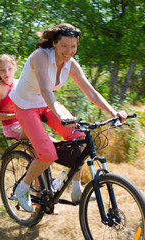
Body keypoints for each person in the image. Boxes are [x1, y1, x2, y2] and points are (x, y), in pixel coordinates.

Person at [9, 23, 127, 212]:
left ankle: (76, 188)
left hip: (47, 104)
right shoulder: (41, 56)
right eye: (64, 45)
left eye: (73, 46)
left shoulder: (71, 64)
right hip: (25, 105)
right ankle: (22, 188)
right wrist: (60, 115)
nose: (69, 51)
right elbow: (46, 89)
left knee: (80, 137)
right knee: (48, 154)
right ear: (55, 43)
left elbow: (92, 92)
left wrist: (114, 113)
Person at [0, 54, 28, 140]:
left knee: (46, 140)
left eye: (10, 69)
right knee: (38, 135)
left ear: (15, 68)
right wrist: (17, 115)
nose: (7, 73)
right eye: (2, 70)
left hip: (25, 122)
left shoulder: (19, 83)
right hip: (11, 127)